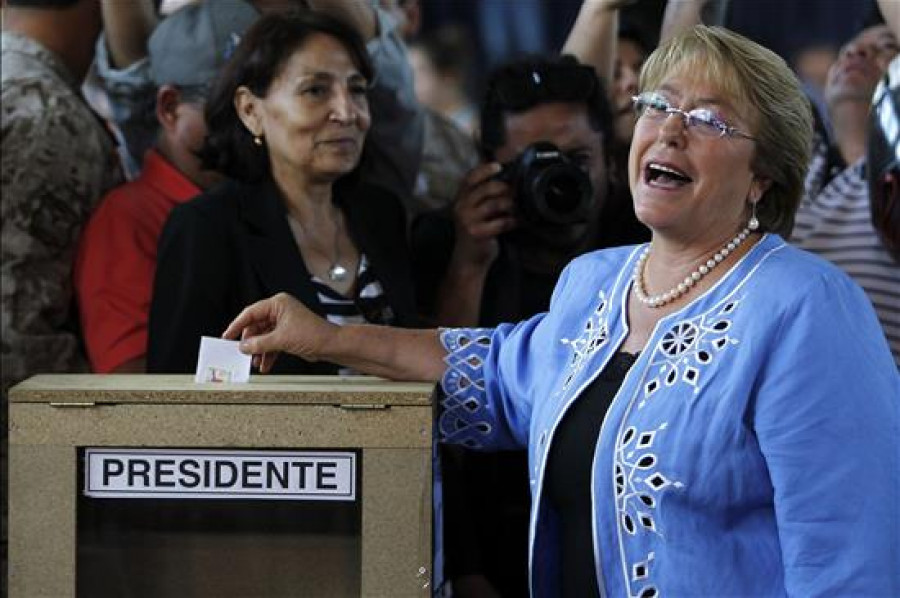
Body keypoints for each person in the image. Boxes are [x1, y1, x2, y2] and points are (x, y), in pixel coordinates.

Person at [224, 26, 900, 597]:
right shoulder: (595, 281)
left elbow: (853, 557)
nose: (669, 130)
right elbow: (494, 376)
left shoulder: (808, 306)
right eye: (660, 105)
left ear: (764, 176)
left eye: (708, 119)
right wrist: (327, 337)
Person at [147, 11, 419, 374]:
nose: (347, 112)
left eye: (356, 90)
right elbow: (173, 399)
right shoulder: (207, 229)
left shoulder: (381, 214)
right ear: (250, 110)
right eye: (315, 90)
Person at [74, 0, 258, 374]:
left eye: (261, 101)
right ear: (170, 107)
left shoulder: (266, 199)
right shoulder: (128, 219)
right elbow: (133, 385)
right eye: (228, 106)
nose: (251, 120)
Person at [790, 22, 900, 366]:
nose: (856, 52)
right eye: (848, 48)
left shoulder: (892, 175)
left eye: (886, 47)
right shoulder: (792, 166)